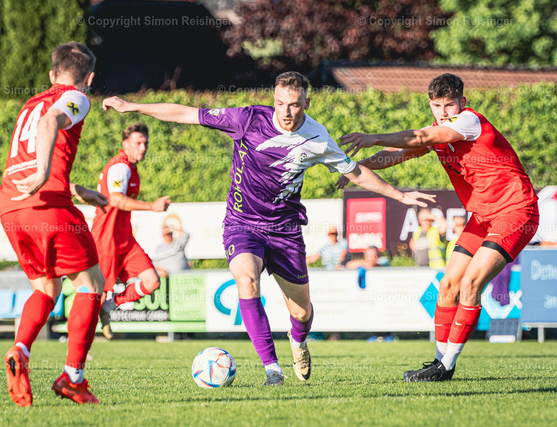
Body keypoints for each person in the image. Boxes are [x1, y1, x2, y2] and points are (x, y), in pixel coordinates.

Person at [102, 71, 435, 386]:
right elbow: (186, 113)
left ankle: (298, 340)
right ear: (273, 100)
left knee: (301, 313)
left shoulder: (318, 138)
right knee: (246, 281)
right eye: (280, 103)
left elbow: (355, 172)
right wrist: (133, 106)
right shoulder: (247, 119)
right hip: (242, 223)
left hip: (285, 231)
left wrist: (399, 194)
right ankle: (272, 368)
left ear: (306, 103)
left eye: (294, 105)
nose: (286, 112)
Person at [339, 73, 539, 382]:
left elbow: (420, 138)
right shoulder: (440, 130)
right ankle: (438, 362)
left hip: (515, 211)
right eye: (436, 105)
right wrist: (357, 168)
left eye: (449, 105)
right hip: (483, 217)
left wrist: (372, 136)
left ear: (462, 102)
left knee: (471, 284)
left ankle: (446, 365)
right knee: (447, 286)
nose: (443, 112)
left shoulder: (469, 122)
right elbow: (400, 153)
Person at [0, 42, 108, 406]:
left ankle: (20, 349)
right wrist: (46, 174)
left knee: (46, 288)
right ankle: (72, 378)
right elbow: (50, 124)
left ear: (51, 73)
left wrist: (75, 189)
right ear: (89, 77)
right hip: (46, 205)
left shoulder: (30, 103)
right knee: (92, 285)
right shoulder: (77, 97)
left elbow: (34, 151)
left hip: (11, 205)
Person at [92, 122, 170, 340]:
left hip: (125, 239)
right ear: (125, 144)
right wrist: (152, 206)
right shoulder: (121, 167)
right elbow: (116, 200)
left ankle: (109, 306)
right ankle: (79, 348)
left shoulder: (130, 168)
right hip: (106, 239)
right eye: (137, 143)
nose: (143, 148)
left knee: (152, 281)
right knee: (97, 294)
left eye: (145, 143)